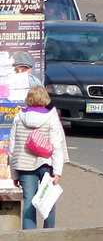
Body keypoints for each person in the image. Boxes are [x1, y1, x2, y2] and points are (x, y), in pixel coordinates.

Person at [10, 85, 69, 229]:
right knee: (48, 200)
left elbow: (13, 147)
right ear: (46, 99)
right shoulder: (51, 117)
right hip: (46, 164)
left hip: (23, 165)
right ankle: (49, 234)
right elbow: (56, 146)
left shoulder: (19, 116)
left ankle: (29, 238)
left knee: (28, 201)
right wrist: (57, 172)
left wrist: (14, 175)